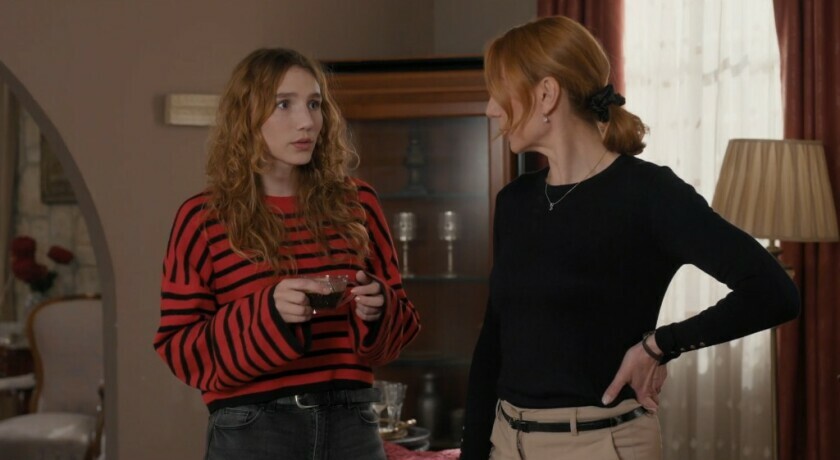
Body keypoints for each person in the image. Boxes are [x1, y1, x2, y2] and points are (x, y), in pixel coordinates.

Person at [460, 16, 800, 460]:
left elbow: (774, 292)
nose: (491, 109)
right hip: (506, 443)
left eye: (499, 91)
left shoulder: (649, 194)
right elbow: (493, 341)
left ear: (546, 94)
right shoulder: (515, 201)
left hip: (602, 446)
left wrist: (659, 346)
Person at [153, 48, 420, 460]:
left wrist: (379, 308)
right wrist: (269, 313)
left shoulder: (359, 203)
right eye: (284, 104)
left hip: (352, 422)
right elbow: (181, 349)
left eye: (314, 104)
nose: (307, 121)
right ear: (246, 115)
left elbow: (400, 329)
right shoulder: (203, 219)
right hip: (253, 429)